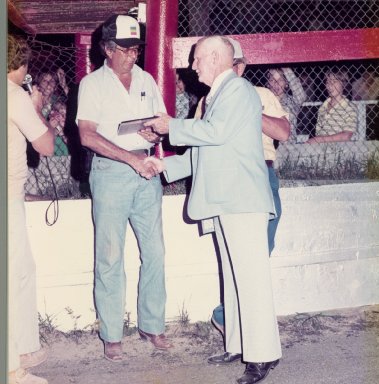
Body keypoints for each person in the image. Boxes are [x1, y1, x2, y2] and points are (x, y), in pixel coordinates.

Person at [142, 35, 282, 384]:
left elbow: (214, 133)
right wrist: (165, 168)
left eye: (198, 59)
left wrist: (170, 125)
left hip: (241, 201)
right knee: (234, 280)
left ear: (218, 58)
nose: (193, 66)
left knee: (251, 280)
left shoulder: (236, 90)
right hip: (227, 200)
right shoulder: (218, 96)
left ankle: (263, 354)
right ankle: (238, 344)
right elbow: (205, 148)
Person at [76, 14, 173, 362]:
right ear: (107, 48)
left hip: (146, 171)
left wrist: (154, 134)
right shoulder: (93, 84)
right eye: (126, 49)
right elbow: (87, 135)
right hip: (111, 174)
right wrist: (130, 159)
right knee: (111, 257)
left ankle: (152, 324)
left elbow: (161, 124)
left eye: (136, 48)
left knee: (156, 253)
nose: (133, 55)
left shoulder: (146, 79)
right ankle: (112, 334)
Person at [209, 37, 290, 338]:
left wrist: (247, 109)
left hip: (263, 174)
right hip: (228, 178)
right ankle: (237, 323)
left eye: (235, 65)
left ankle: (228, 315)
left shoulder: (261, 94)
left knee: (261, 248)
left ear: (241, 67)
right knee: (233, 252)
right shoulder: (209, 99)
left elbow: (283, 131)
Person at [8, 34, 55, 384]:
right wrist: (36, 105)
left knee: (22, 270)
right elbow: (47, 145)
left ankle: (23, 347)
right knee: (10, 279)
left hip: (11, 196)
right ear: (19, 64)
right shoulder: (14, 96)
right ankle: (11, 369)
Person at [307, 69, 357, 143]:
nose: (329, 85)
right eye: (327, 82)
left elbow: (346, 135)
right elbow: (319, 133)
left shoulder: (349, 107)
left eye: (334, 81)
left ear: (343, 83)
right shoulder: (322, 107)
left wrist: (319, 139)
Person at [267, 67, 307, 142]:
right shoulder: (264, 100)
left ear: (286, 83)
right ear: (268, 83)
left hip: (289, 147)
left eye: (280, 79)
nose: (276, 83)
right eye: (272, 80)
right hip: (268, 147)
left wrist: (284, 66)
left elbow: (301, 95)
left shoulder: (292, 101)